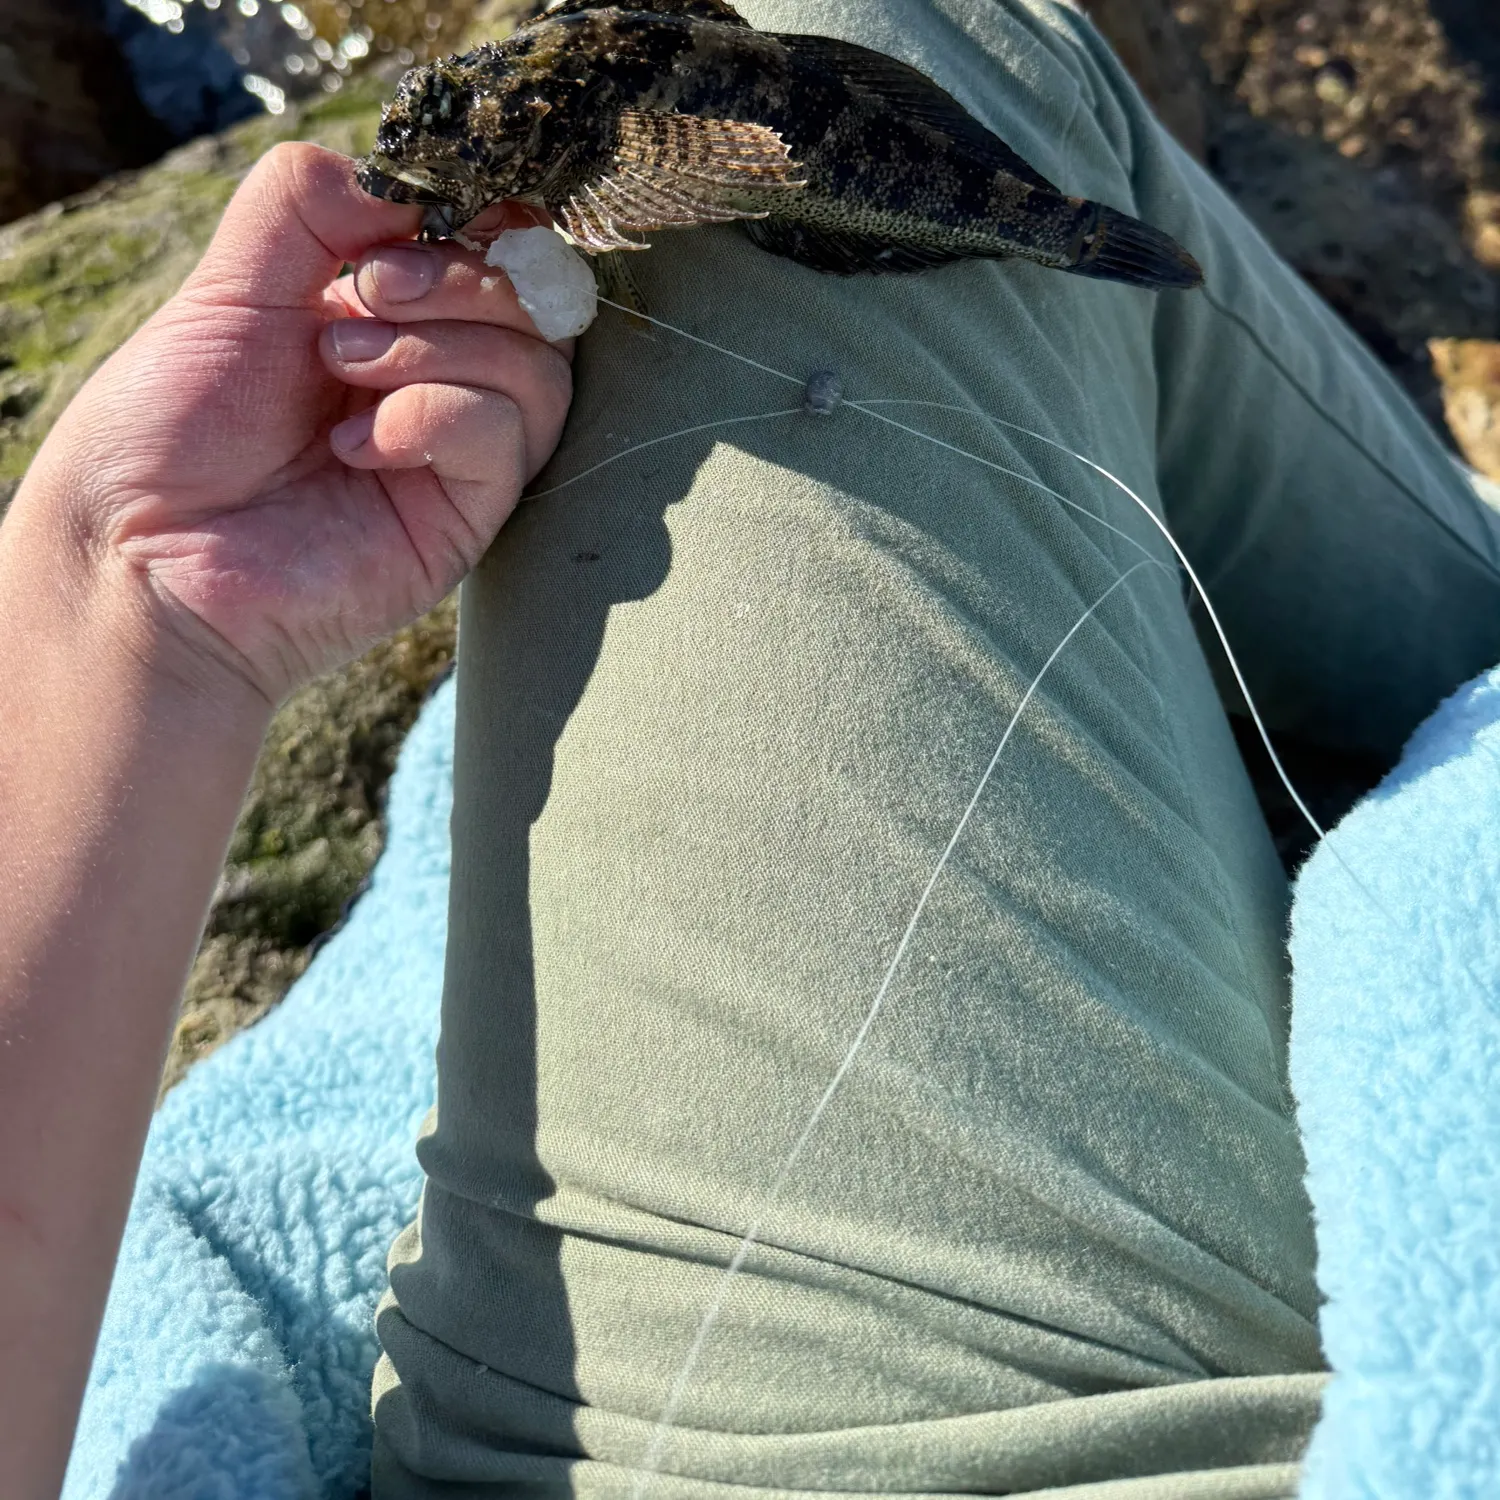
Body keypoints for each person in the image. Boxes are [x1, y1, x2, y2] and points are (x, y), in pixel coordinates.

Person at [2, 1, 1499, 1497]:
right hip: (892, 1431)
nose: (408, 159)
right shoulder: (607, 153)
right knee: (902, 25)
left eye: (442, 125)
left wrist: (133, 596)